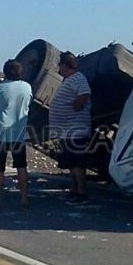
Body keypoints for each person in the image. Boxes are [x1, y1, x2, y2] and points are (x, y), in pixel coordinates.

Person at [0, 59, 33, 211]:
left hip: (0, 134)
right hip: (19, 133)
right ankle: (24, 199)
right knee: (21, 167)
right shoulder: (27, 87)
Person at [49, 51, 92, 204]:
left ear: (66, 65)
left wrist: (76, 105)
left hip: (75, 129)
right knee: (71, 163)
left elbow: (84, 94)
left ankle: (81, 193)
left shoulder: (78, 78)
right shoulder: (69, 80)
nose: (59, 68)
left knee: (77, 163)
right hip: (67, 130)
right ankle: (74, 190)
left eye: (60, 65)